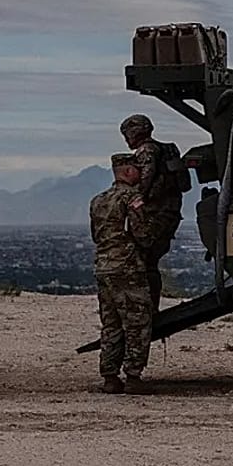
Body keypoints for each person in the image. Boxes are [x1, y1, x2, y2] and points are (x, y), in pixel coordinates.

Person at [89, 152, 159, 394]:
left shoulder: (98, 200)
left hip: (104, 267)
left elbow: (96, 235)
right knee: (137, 322)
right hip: (128, 268)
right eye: (137, 169)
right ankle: (133, 376)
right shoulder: (132, 198)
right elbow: (141, 234)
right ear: (129, 172)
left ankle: (110, 376)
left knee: (111, 323)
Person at [119, 114, 189, 307]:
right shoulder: (169, 150)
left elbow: (143, 184)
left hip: (153, 216)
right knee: (150, 262)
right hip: (171, 213)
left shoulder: (147, 152)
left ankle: (147, 308)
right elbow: (184, 184)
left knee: (143, 262)